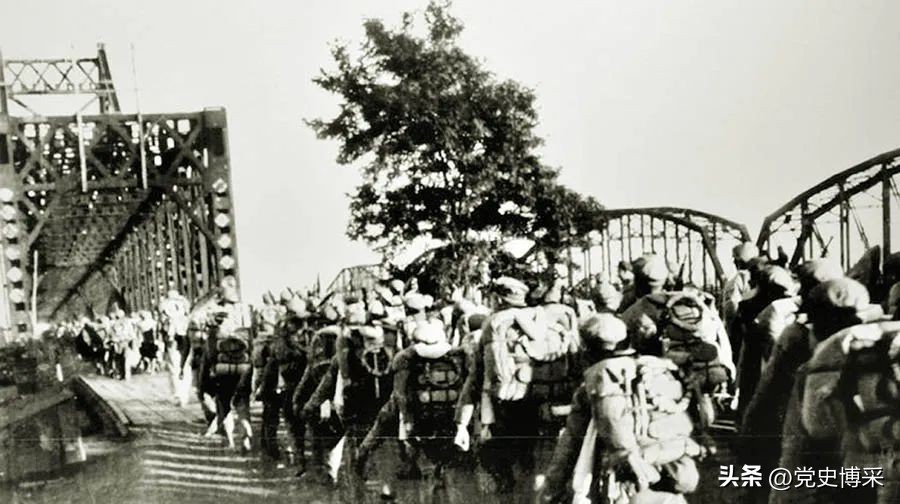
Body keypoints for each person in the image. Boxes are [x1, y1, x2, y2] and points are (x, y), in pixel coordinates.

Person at [537, 313, 702, 504]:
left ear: (589, 348)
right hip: (670, 475)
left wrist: (549, 493)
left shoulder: (599, 380)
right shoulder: (656, 370)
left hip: (629, 485)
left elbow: (570, 445)